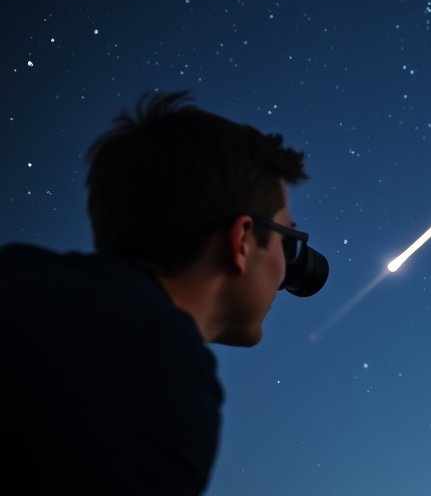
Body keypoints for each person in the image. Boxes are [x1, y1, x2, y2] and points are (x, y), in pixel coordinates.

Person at [0, 91, 318, 495]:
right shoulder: (159, 367)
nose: (286, 270)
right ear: (242, 240)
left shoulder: (23, 277)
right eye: (287, 242)